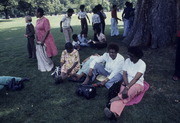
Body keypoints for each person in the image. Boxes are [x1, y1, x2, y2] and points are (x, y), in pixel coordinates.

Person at [104, 47, 146, 121]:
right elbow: (124, 74)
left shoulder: (142, 64)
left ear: (137, 56)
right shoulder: (127, 61)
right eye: (129, 55)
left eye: (131, 56)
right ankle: (114, 115)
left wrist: (127, 88)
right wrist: (126, 85)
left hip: (137, 84)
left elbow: (136, 78)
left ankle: (113, 100)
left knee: (126, 93)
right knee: (124, 96)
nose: (129, 57)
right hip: (126, 83)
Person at [35, 7, 58, 72]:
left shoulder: (45, 20)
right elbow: (36, 30)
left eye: (36, 12)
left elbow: (47, 30)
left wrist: (43, 40)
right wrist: (36, 38)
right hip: (39, 39)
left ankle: (50, 64)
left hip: (46, 39)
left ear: (39, 13)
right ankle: (45, 63)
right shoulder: (37, 21)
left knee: (48, 52)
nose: (35, 13)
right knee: (42, 52)